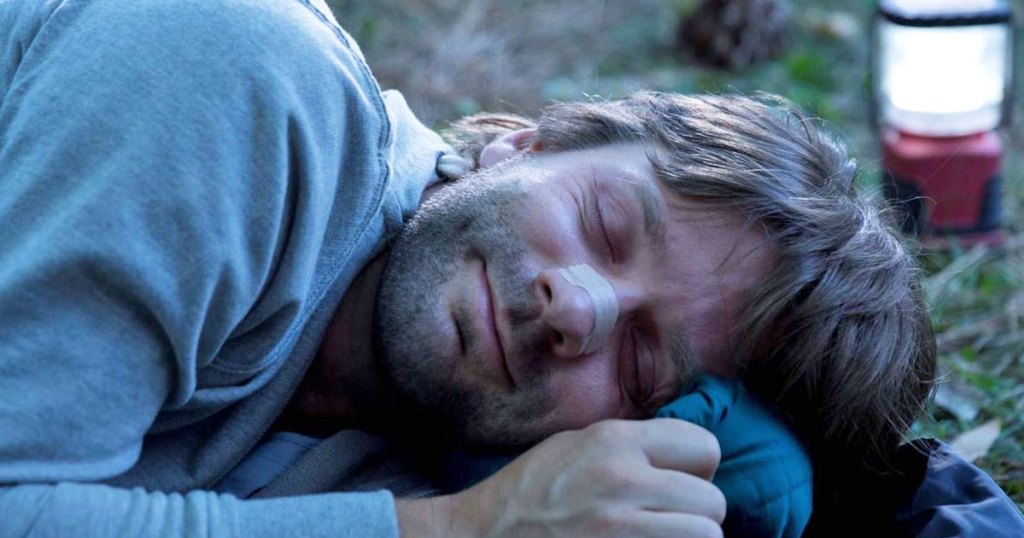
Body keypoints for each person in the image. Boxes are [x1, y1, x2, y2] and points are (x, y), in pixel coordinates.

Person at [3, 0, 1020, 537]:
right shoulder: (241, 85)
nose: (574, 306)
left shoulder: (418, 454)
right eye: (606, 221)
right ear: (525, 144)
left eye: (639, 364)